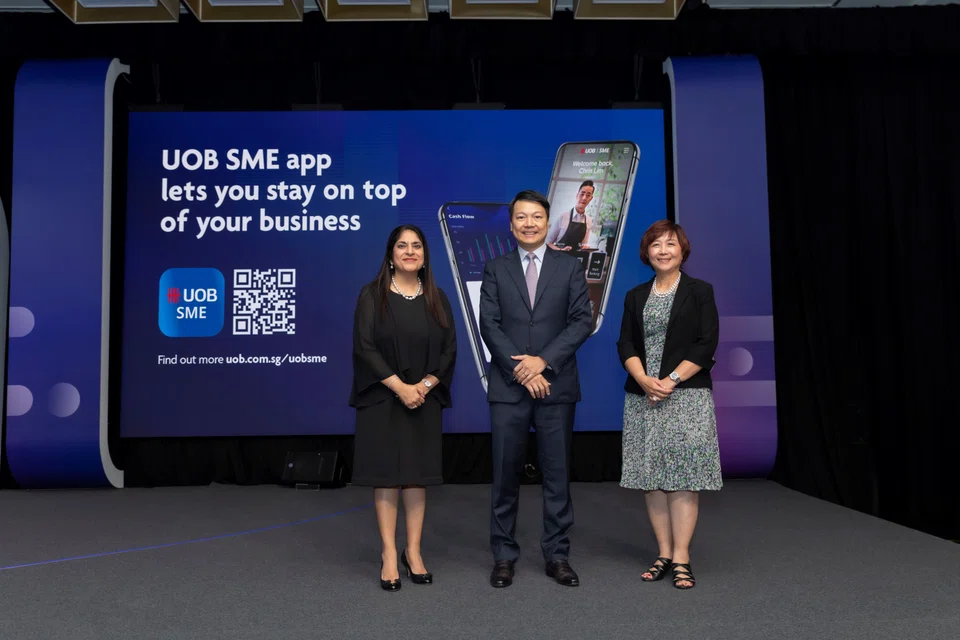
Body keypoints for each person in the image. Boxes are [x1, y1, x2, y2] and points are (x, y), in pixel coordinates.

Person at [479, 189, 593, 588]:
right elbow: (489, 325)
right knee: (504, 476)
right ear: (511, 225)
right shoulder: (495, 268)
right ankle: (504, 556)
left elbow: (582, 321)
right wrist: (524, 371)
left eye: (536, 217)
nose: (529, 224)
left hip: (556, 386)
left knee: (557, 476)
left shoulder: (569, 267)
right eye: (521, 218)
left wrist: (542, 362)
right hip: (509, 389)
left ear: (548, 222)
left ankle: (557, 556)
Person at [349, 224, 457, 592]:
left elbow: (449, 351)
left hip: (423, 400)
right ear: (391, 254)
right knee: (387, 477)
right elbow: (365, 347)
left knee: (417, 475)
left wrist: (424, 386)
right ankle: (389, 554)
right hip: (383, 397)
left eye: (416, 246)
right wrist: (399, 386)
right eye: (402, 246)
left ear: (425, 255)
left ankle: (413, 552)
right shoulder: (372, 295)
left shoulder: (437, 298)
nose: (410, 251)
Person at [616, 219, 722, 590]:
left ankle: (682, 557)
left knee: (682, 480)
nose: (663, 250)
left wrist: (671, 381)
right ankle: (663, 552)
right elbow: (625, 344)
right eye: (656, 244)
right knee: (652, 481)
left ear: (683, 250)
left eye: (670, 244)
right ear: (646, 253)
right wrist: (645, 379)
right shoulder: (634, 295)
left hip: (686, 397)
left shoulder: (700, 291)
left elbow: (705, 344)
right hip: (643, 397)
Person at [546, 180, 595, 252]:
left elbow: (582, 245)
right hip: (557, 257)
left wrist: (584, 247)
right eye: (582, 194)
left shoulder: (589, 220)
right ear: (577, 195)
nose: (584, 198)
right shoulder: (563, 216)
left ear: (591, 198)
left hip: (574, 260)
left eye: (588, 195)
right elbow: (547, 243)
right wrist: (561, 249)